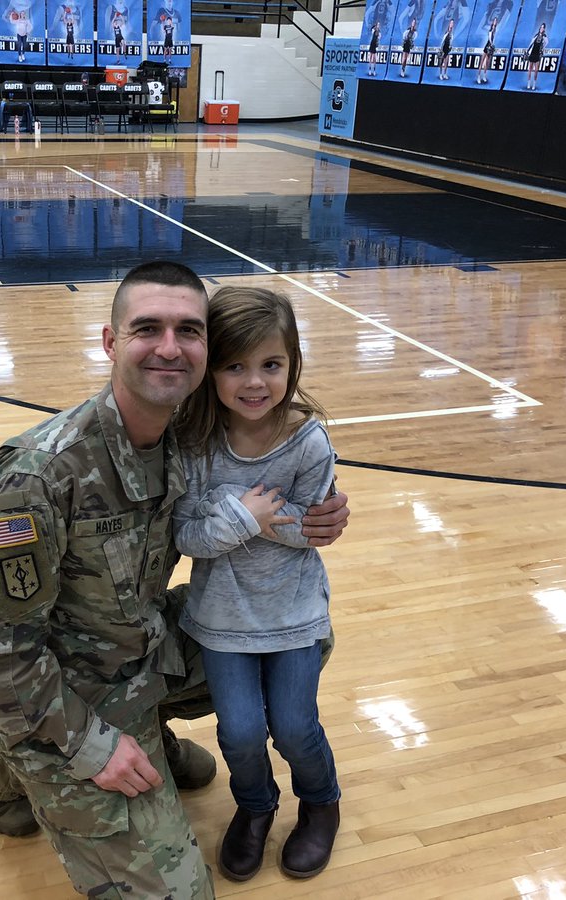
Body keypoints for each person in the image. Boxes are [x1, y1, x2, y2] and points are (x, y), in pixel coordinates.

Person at [0, 261, 350, 898]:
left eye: (188, 331)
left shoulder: (190, 437)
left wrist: (321, 514)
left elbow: (275, 431)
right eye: (147, 328)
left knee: (291, 639)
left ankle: (145, 729)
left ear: (205, 352)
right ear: (111, 342)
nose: (169, 347)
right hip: (67, 688)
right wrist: (92, 748)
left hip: (139, 647)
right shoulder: (38, 479)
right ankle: (9, 741)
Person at [172, 286, 342, 882]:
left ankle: (320, 802)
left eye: (271, 364)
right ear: (211, 370)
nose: (255, 382)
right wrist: (250, 515)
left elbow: (314, 528)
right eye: (235, 365)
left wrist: (249, 517)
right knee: (240, 732)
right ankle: (255, 807)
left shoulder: (308, 441)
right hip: (221, 618)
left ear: (293, 364)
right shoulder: (194, 444)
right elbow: (186, 535)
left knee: (295, 726)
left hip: (293, 613)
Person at [526, 22, 548, 89]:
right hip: (532, 53)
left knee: (536, 70)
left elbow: (546, 43)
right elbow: (531, 43)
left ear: (544, 29)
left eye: (543, 27)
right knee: (530, 69)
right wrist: (527, 51)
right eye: (541, 27)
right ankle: (529, 83)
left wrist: (542, 49)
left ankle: (534, 84)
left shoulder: (544, 37)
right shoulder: (536, 35)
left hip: (537, 54)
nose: (541, 28)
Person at [477, 17, 499, 83]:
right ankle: (478, 76)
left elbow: (493, 38)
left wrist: (492, 46)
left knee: (487, 63)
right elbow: (489, 38)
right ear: (492, 22)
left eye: (496, 21)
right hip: (487, 46)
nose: (495, 22)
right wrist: (492, 44)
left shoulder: (495, 30)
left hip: (491, 47)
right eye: (494, 21)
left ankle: (484, 75)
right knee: (482, 61)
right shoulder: (491, 30)